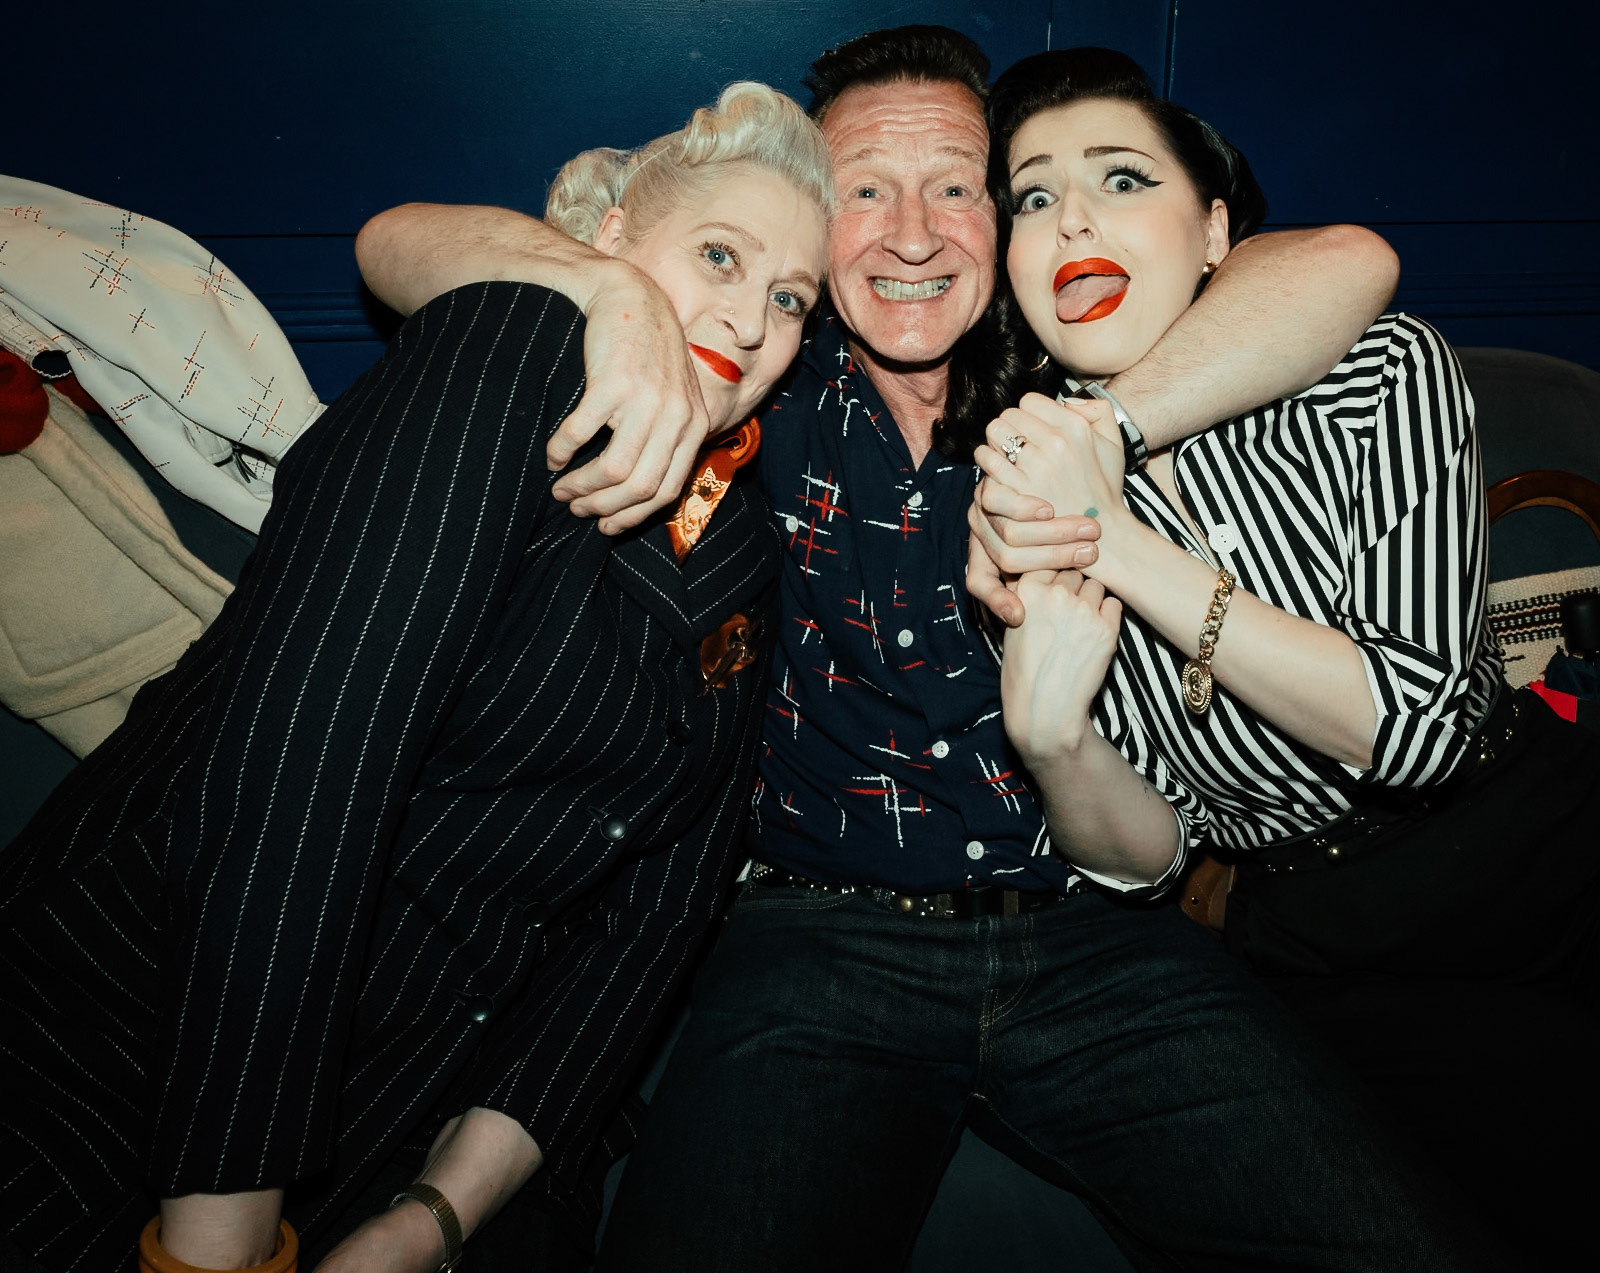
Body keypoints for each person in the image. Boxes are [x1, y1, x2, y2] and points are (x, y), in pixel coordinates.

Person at [356, 24, 1517, 1273]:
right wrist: (614, 296)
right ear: (814, 227)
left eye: (956, 188)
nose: (912, 236)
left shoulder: (1079, 379)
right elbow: (392, 243)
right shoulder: (754, 381)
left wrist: (1103, 441)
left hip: (1091, 932)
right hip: (813, 939)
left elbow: (1339, 266)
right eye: (864, 191)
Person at [969, 47, 1600, 1272]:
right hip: (1330, 943)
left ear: (1214, 233)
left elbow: (1414, 727)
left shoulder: (1374, 371)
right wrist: (1053, 742)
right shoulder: (1009, 506)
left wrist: (1120, 542)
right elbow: (1150, 855)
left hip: (1551, 838)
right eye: (1032, 196)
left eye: (1120, 178)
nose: (1072, 218)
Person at [0, 82, 830, 1273]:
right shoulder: (512, 349)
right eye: (718, 256)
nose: (748, 319)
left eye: (790, 298)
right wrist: (222, 1245)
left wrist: (436, 1214)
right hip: (125, 1046)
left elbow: (653, 921)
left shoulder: (744, 541)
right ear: (608, 242)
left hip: (413, 1114)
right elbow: (300, 770)